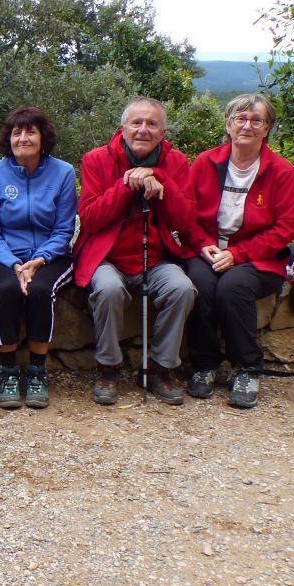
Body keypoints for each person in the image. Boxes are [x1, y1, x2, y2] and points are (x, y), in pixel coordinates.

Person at [73, 97, 197, 405]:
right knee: (108, 290)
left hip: (156, 258)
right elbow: (89, 217)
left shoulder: (177, 162)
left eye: (152, 124)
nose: (143, 130)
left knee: (182, 289)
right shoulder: (96, 159)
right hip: (108, 257)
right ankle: (108, 368)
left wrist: (161, 180)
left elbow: (187, 221)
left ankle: (161, 368)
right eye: (136, 123)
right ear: (123, 128)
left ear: (163, 131)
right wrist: (126, 186)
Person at [186, 94, 294, 409]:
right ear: (228, 124)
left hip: (259, 257)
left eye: (257, 120)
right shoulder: (205, 163)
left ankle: (247, 367)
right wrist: (202, 244)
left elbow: (289, 224)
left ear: (267, 129)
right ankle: (205, 365)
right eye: (241, 118)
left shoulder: (280, 171)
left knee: (233, 286)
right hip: (209, 251)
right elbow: (186, 213)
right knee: (199, 285)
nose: (248, 126)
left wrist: (239, 254)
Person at [0, 107, 77, 410]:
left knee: (41, 289)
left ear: (43, 137)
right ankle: (7, 371)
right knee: (5, 289)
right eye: (17, 132)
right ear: (9, 139)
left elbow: (63, 229)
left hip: (51, 255)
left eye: (30, 131)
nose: (23, 138)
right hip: (0, 255)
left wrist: (40, 259)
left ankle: (36, 371)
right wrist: (15, 265)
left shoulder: (63, 173)